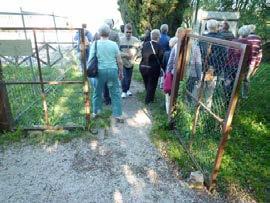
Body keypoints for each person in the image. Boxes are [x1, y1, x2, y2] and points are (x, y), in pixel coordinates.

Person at [88, 24, 124, 122]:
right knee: (115, 92)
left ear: (99, 33)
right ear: (109, 33)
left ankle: (96, 112)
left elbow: (90, 60)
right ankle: (118, 115)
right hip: (112, 70)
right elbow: (120, 61)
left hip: (99, 72)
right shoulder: (114, 44)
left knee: (97, 92)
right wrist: (121, 72)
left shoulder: (95, 44)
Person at [200, 19, 225, 109]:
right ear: (217, 27)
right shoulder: (222, 39)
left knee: (199, 90)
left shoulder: (202, 39)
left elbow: (199, 53)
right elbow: (223, 56)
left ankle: (196, 109)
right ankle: (206, 110)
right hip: (214, 69)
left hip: (202, 68)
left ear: (207, 27)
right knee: (209, 94)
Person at [224, 26, 252, 103]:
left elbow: (228, 54)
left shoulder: (233, 41)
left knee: (228, 82)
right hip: (241, 67)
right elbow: (249, 58)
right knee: (236, 84)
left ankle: (226, 98)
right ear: (248, 34)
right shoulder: (249, 44)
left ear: (239, 32)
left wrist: (226, 64)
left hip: (230, 65)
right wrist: (247, 67)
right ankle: (233, 100)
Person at [139, 29, 164, 104]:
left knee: (147, 82)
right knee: (152, 84)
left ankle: (150, 97)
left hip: (143, 66)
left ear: (151, 36)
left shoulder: (145, 44)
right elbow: (161, 58)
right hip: (153, 68)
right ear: (159, 37)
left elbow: (142, 54)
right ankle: (148, 100)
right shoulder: (159, 46)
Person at [119, 23, 141, 98]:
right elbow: (117, 51)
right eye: (127, 32)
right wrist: (125, 55)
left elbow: (140, 50)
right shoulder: (120, 40)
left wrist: (135, 57)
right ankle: (124, 91)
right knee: (123, 77)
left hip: (131, 62)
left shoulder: (135, 40)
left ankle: (127, 89)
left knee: (129, 77)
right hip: (122, 62)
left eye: (130, 32)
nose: (128, 33)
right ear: (124, 31)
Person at [103, 19, 120, 105]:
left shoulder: (98, 34)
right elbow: (118, 48)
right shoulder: (115, 34)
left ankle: (106, 99)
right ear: (112, 25)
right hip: (112, 62)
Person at [242, 24, 263, 98]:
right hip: (252, 61)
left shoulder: (245, 37)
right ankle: (245, 95)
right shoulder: (259, 39)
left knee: (239, 77)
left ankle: (235, 94)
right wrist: (257, 64)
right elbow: (260, 53)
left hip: (243, 60)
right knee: (247, 78)